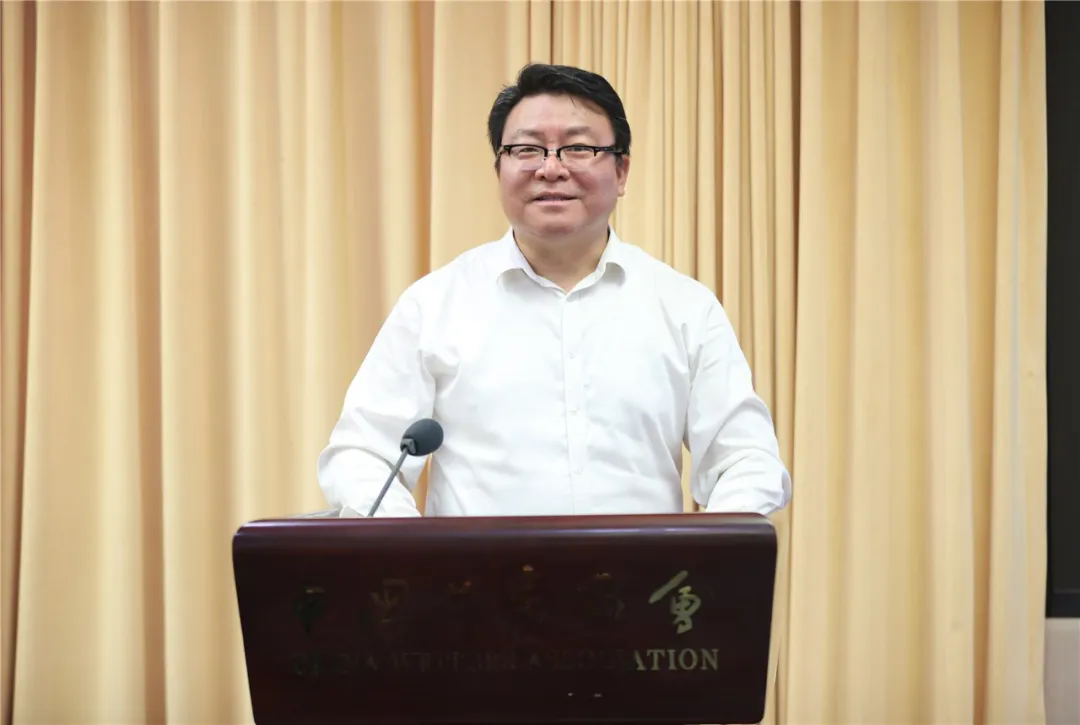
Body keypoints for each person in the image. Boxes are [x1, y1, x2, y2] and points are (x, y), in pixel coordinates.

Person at [317, 63, 791, 518]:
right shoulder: (434, 306)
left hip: (641, 574)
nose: (550, 168)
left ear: (621, 172)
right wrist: (417, 553)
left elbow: (746, 459)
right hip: (476, 575)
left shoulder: (684, 307)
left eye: (578, 148)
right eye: (527, 149)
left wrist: (707, 550)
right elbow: (363, 454)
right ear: (499, 169)